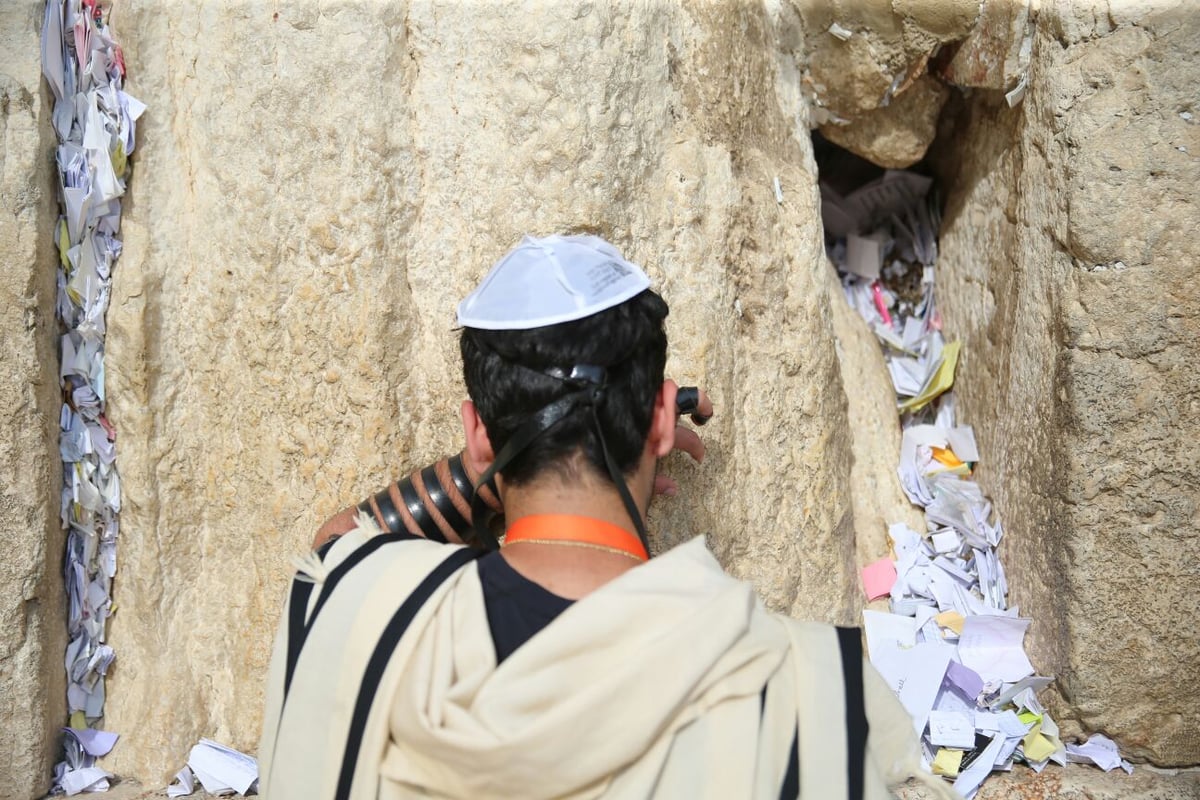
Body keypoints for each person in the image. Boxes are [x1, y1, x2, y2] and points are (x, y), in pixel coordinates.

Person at [258, 235, 954, 800]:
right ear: (662, 417)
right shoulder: (807, 689)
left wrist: (500, 453)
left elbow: (338, 540)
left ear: (477, 435)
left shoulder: (368, 615)